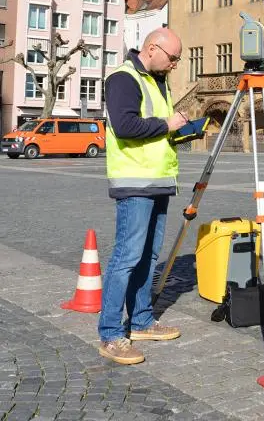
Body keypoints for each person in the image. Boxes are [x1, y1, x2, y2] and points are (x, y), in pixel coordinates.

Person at [98, 27, 188, 365]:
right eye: (172, 57)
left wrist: (180, 131)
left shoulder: (158, 80)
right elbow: (125, 126)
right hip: (135, 184)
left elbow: (157, 131)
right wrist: (168, 124)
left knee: (148, 257)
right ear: (152, 49)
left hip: (159, 181)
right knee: (126, 258)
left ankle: (141, 320)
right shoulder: (123, 78)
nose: (176, 64)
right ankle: (110, 333)